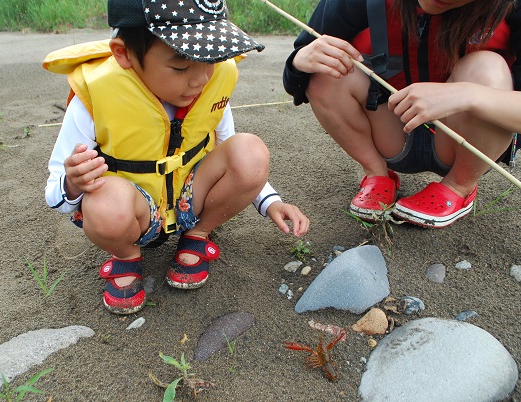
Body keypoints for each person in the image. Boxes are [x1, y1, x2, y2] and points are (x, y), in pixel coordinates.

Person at [43, 0, 310, 314]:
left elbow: (233, 152)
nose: (200, 79)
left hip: (190, 200)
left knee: (251, 151)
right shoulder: (95, 95)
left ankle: (198, 232)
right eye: (181, 66)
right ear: (123, 53)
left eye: (210, 60)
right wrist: (74, 184)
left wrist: (270, 201)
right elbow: (54, 195)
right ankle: (126, 256)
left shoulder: (208, 86)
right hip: (134, 212)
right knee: (103, 203)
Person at [283, 0, 520, 228]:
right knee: (326, 67)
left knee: (488, 67)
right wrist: (298, 62)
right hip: (391, 132)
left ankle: (460, 186)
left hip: (464, 145)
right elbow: (297, 81)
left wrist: (468, 94)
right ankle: (376, 173)